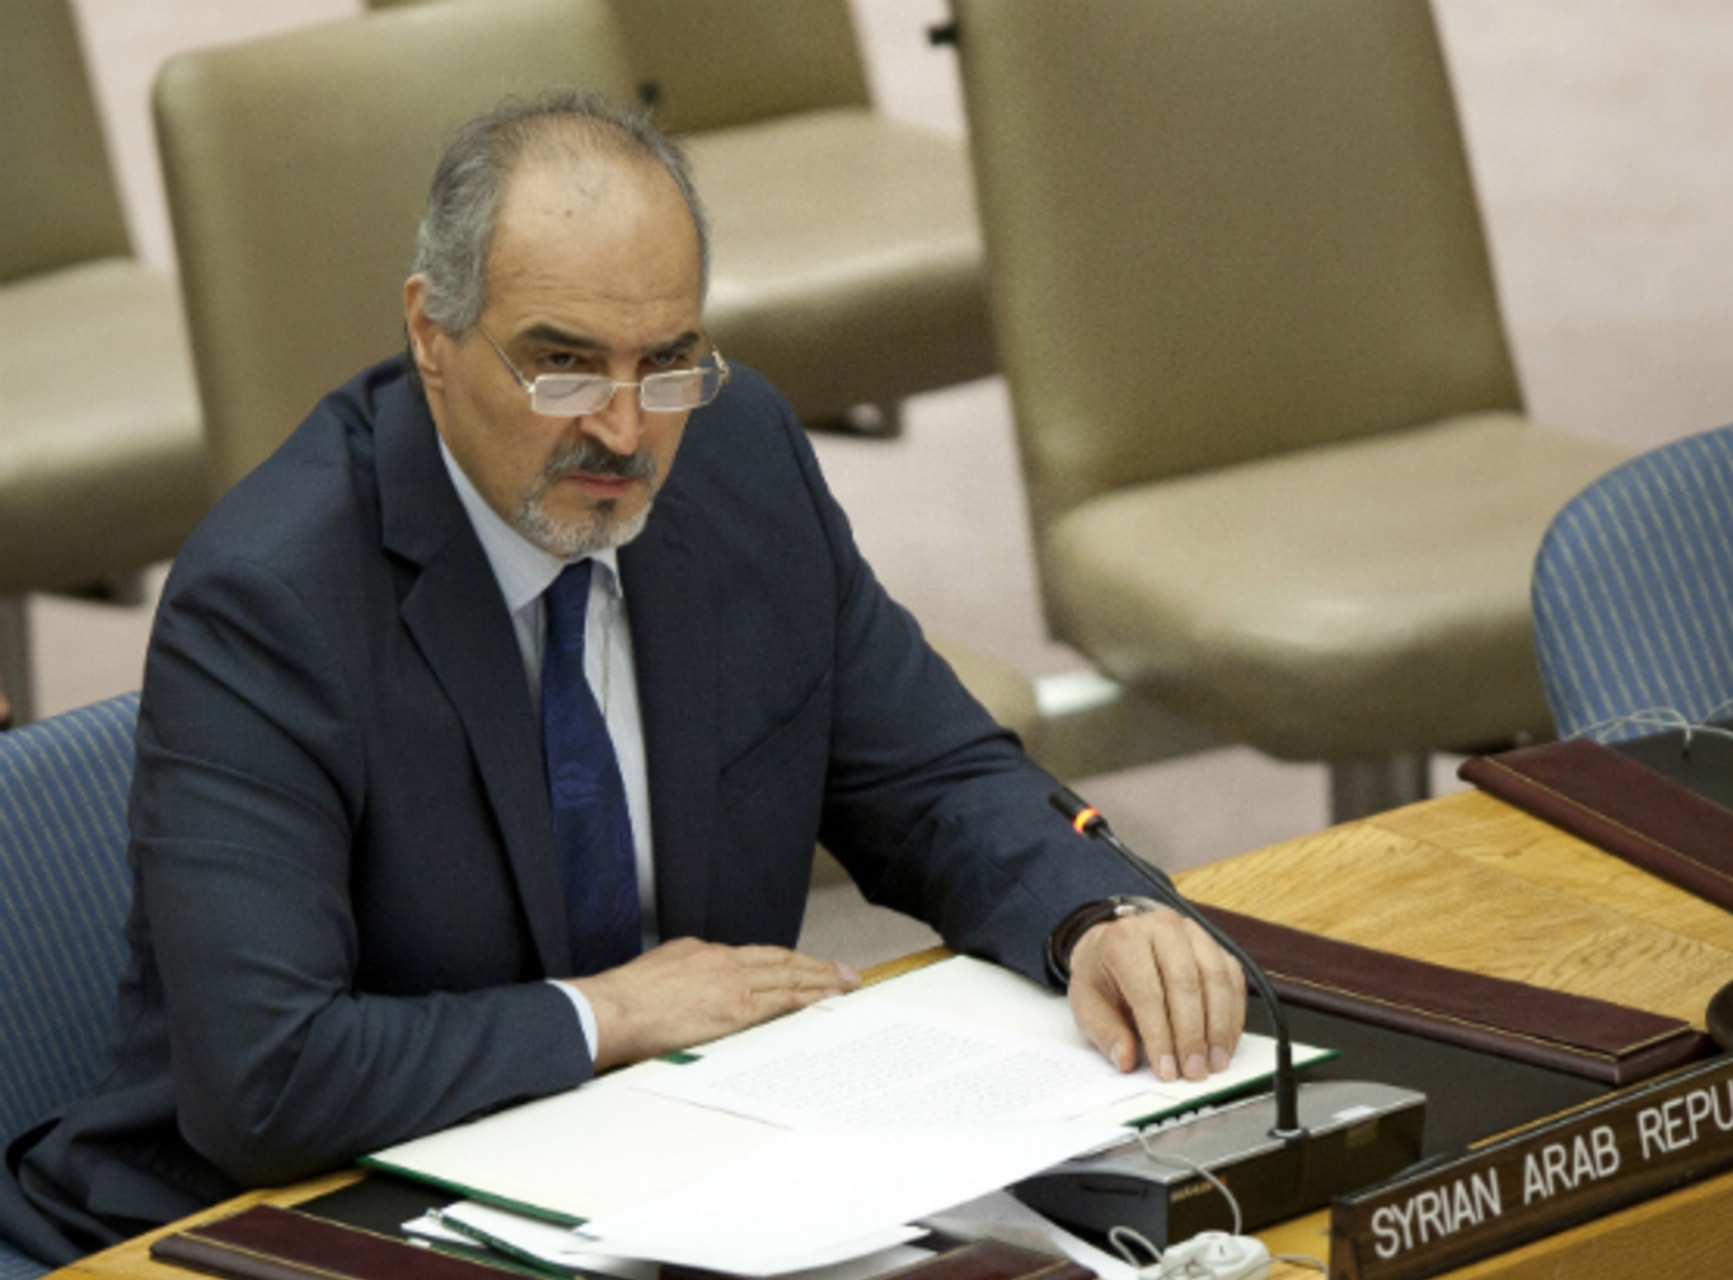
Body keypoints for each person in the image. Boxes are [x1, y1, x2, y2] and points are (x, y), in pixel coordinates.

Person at [0, 92, 1244, 1265]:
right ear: (431, 335)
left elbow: (933, 773)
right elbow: (266, 1073)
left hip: (675, 1174)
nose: (624, 429)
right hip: (290, 1217)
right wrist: (606, 1015)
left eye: (667, 363)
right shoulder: (273, 597)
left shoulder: (738, 456)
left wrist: (1092, 913)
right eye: (563, 365)